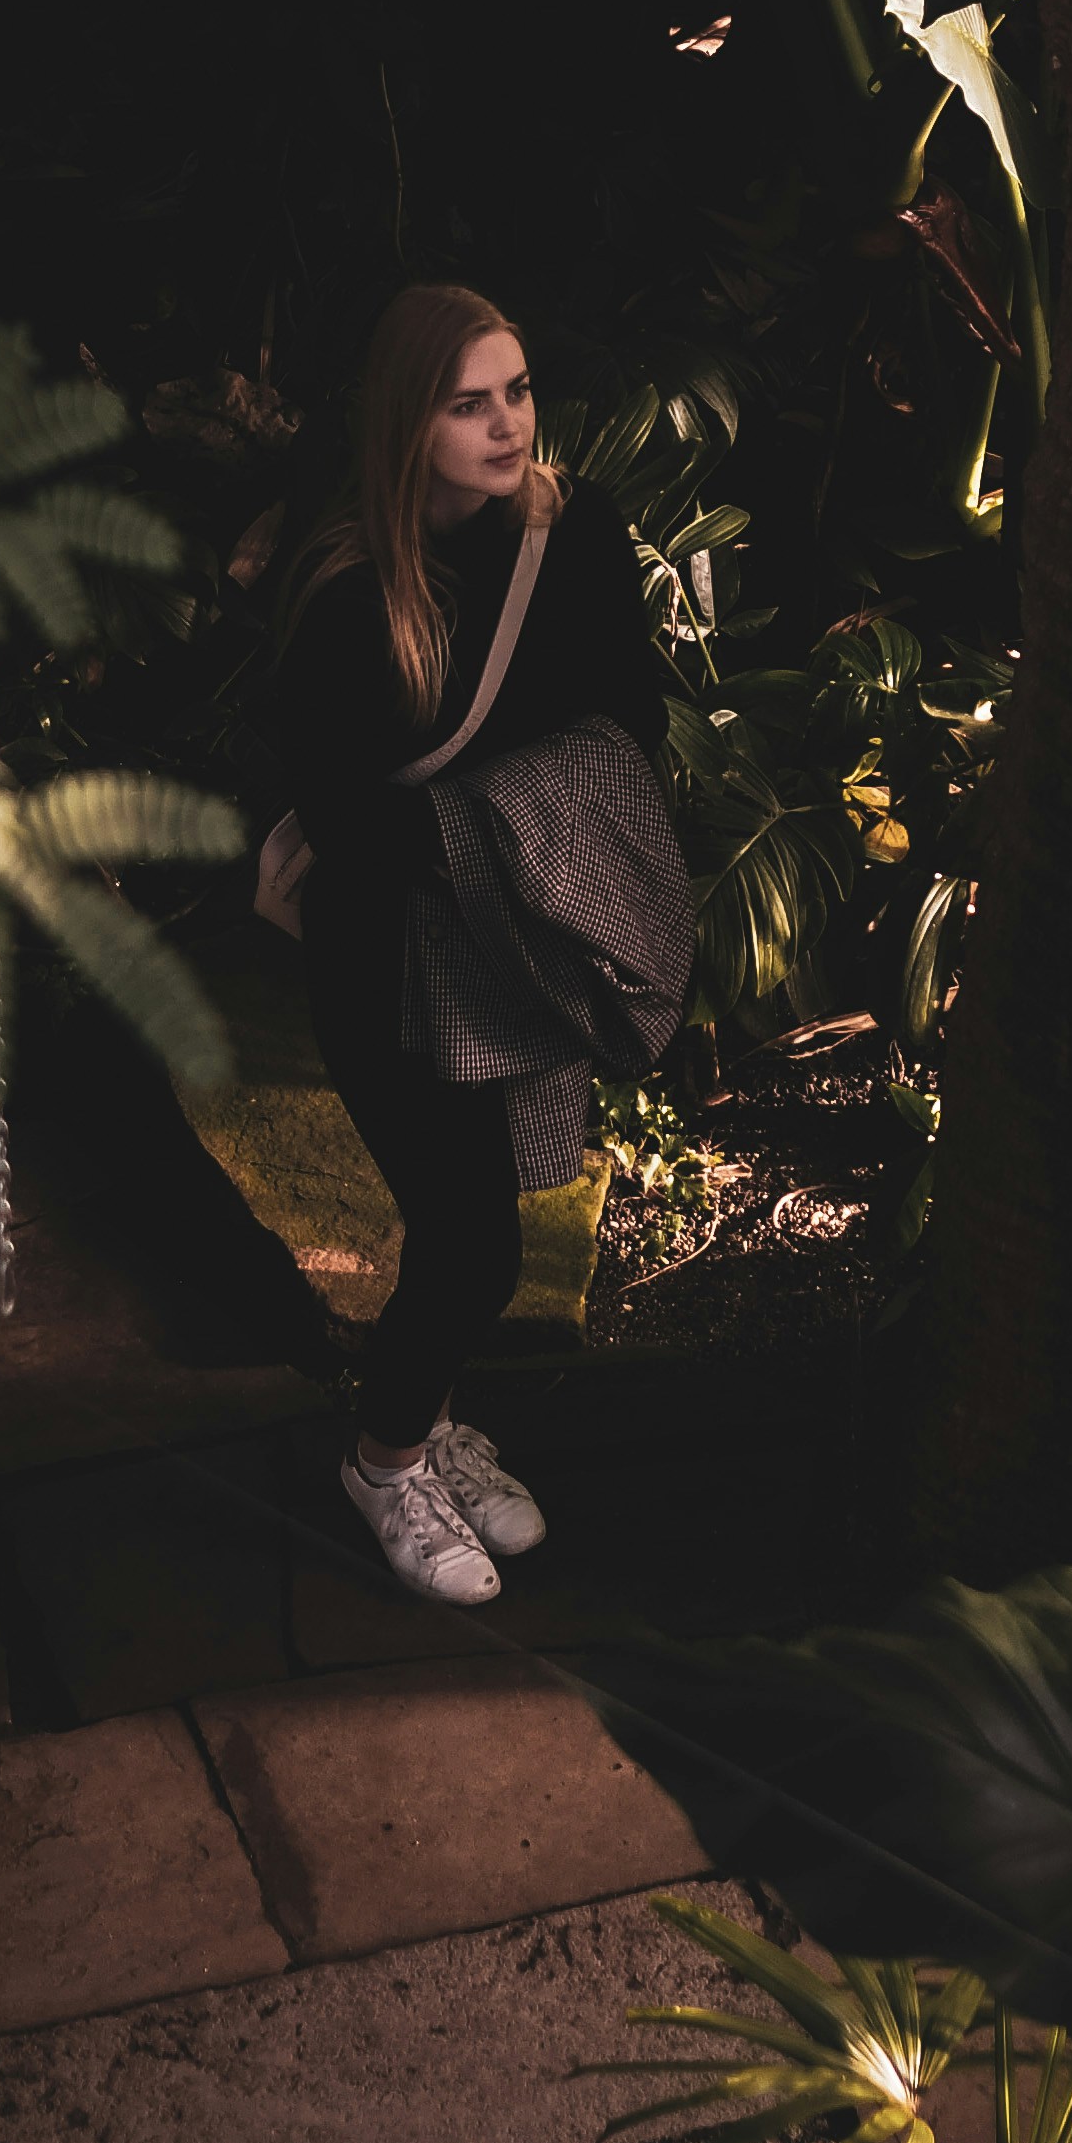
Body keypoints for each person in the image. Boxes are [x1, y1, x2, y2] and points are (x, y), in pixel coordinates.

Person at [276, 283, 669, 1603]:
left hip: (525, 934)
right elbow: (340, 812)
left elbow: (631, 725)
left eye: (517, 391)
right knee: (471, 1243)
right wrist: (495, 820)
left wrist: (520, 834)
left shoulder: (578, 532)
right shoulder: (344, 583)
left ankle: (427, 1418)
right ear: (408, 421)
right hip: (388, 949)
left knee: (487, 1217)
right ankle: (385, 1466)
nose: (506, 428)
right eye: (467, 404)